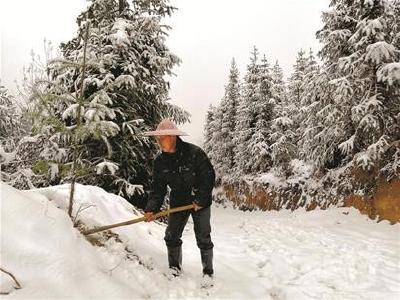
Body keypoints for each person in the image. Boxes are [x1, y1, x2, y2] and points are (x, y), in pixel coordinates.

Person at [143, 119, 216, 279]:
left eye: (164, 137)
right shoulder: (160, 162)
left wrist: (201, 199)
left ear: (173, 137)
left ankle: (208, 272)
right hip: (179, 200)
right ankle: (175, 268)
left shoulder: (195, 153)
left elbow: (208, 177)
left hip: (199, 201)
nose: (160, 141)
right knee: (171, 235)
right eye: (158, 138)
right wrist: (151, 209)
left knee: (203, 237)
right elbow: (157, 189)